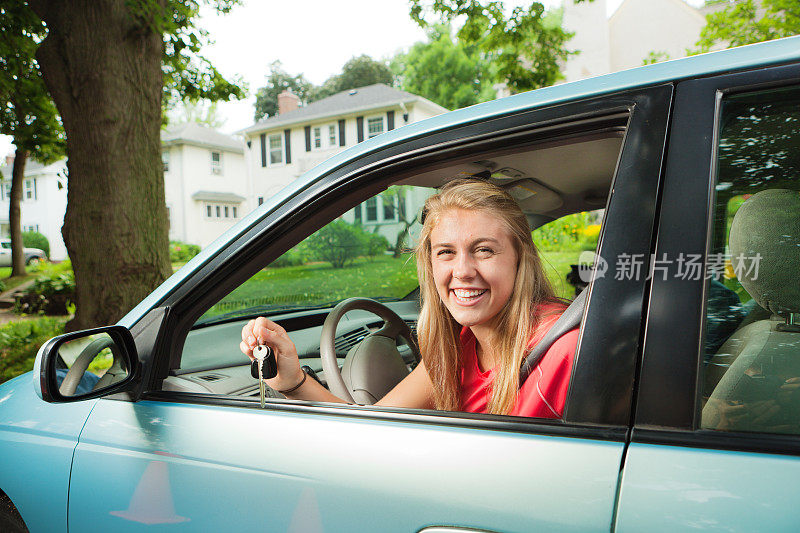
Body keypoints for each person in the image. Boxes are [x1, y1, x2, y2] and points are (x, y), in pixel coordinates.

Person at [240, 179, 580, 417]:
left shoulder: (562, 350)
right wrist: (293, 381)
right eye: (446, 252)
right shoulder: (455, 346)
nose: (462, 270)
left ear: (520, 258)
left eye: (484, 250)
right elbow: (372, 430)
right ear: (429, 263)